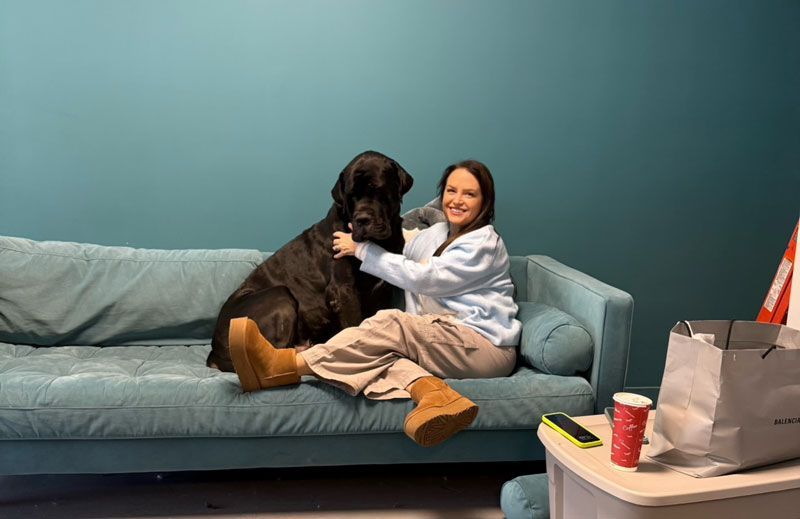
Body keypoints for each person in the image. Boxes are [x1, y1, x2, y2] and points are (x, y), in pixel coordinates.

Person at [228, 159, 522, 447]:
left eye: (469, 194)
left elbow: (424, 276)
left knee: (390, 323)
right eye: (451, 191)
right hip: (447, 341)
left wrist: (362, 250)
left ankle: (281, 366)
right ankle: (436, 396)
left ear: (485, 201)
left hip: (483, 345)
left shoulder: (484, 243)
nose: (457, 200)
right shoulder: (438, 234)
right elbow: (405, 244)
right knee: (375, 355)